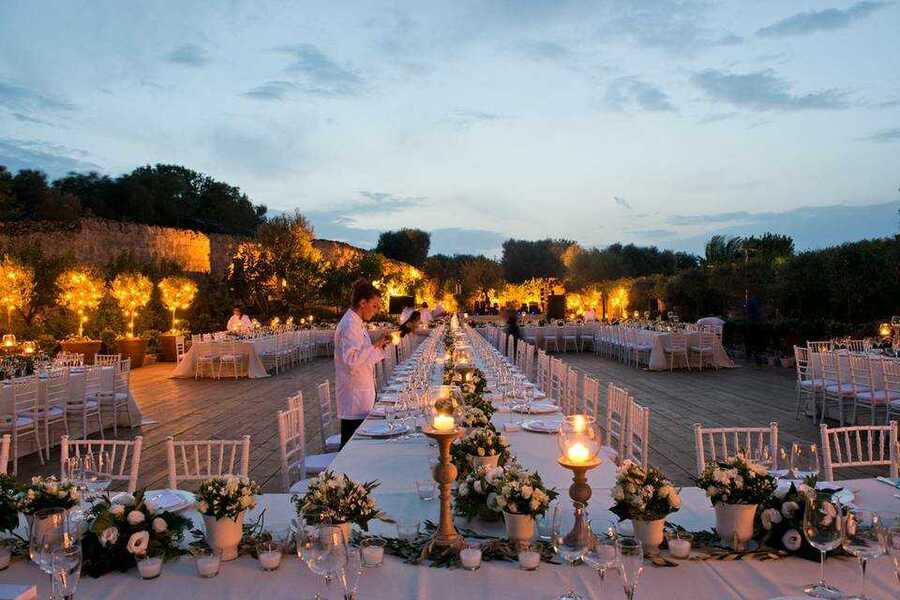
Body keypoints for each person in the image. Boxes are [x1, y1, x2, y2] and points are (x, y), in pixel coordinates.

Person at [334, 279, 391, 448]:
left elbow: (363, 355)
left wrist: (379, 347)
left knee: (357, 446)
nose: (376, 310)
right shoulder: (350, 324)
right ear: (362, 302)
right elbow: (351, 359)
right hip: (354, 398)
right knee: (351, 449)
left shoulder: (357, 323)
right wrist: (375, 346)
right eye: (374, 306)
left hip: (360, 394)